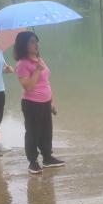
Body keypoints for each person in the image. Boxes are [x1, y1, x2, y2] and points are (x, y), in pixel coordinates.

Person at [14, 31, 65, 174]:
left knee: (47, 131)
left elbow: (46, 81)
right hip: (31, 103)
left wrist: (51, 101)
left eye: (36, 41)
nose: (36, 44)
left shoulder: (39, 59)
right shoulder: (22, 64)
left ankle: (47, 157)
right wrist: (37, 69)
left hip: (45, 101)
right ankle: (33, 162)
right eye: (31, 41)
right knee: (33, 133)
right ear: (24, 45)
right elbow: (28, 87)